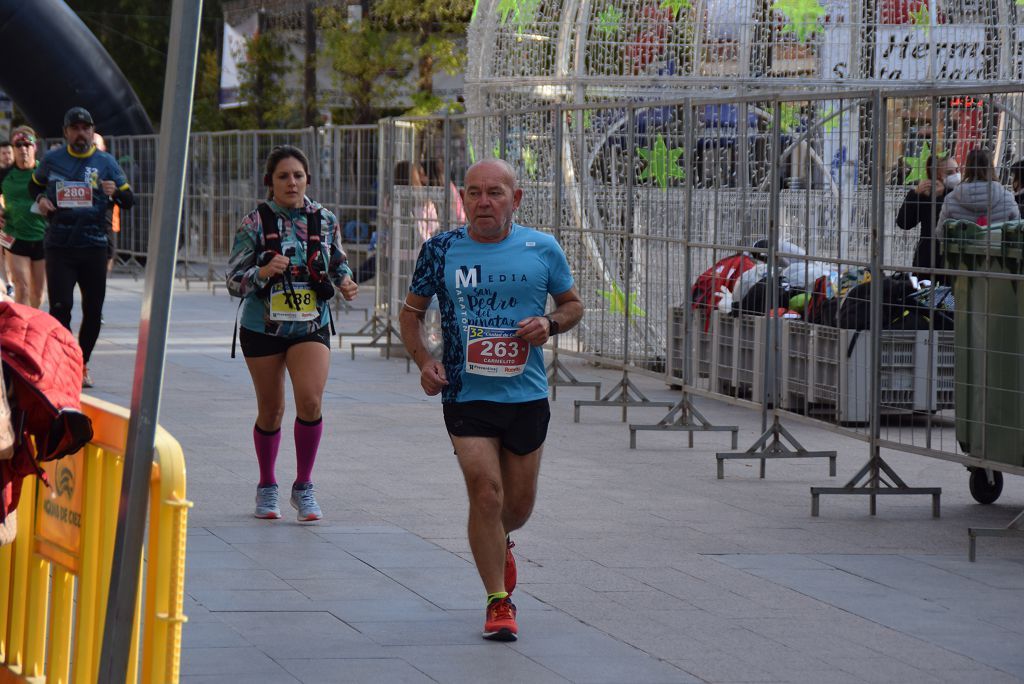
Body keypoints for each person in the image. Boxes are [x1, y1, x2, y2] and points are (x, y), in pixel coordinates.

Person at [399, 159, 583, 642]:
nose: (484, 202)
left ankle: (501, 540)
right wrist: (424, 361)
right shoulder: (440, 250)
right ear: (464, 199)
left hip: (525, 394)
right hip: (465, 392)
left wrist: (550, 324)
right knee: (486, 493)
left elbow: (573, 304)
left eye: (495, 193)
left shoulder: (542, 248)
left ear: (515, 199)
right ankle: (498, 601)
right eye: (475, 193)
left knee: (516, 507)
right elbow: (410, 315)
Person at [226, 145, 358, 522]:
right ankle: (267, 486)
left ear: (307, 179)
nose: (291, 182)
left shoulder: (325, 219)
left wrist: (346, 282)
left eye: (298, 175)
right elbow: (233, 280)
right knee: (271, 409)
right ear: (270, 182)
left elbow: (337, 264)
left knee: (311, 401)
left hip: (311, 324)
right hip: (262, 326)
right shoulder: (254, 223)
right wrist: (262, 273)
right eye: (283, 176)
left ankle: (304, 485)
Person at [29, 107, 134, 388]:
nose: (80, 133)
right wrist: (40, 199)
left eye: (85, 128)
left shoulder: (106, 162)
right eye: (75, 128)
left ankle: (82, 361)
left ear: (92, 131)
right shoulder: (52, 160)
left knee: (93, 310)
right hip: (60, 247)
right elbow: (34, 186)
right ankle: (65, 362)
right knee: (61, 308)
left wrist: (116, 192)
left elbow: (129, 199)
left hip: (94, 246)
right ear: (66, 133)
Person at [0, 127, 46, 307]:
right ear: (13, 148)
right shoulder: (4, 174)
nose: (23, 149)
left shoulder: (44, 172)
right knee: (22, 287)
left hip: (42, 236)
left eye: (27, 144)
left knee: (38, 292)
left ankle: (33, 326)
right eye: (18, 145)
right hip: (14, 235)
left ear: (35, 147)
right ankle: (20, 330)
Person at [895, 154, 959, 277]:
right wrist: (915, 195)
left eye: (957, 170)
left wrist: (943, 194)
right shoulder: (926, 194)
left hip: (953, 260)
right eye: (950, 172)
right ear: (937, 175)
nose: (956, 175)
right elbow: (904, 223)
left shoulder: (961, 193)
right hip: (927, 260)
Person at [937, 148, 1020, 230]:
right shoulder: (1007, 198)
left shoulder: (951, 199)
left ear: (967, 168)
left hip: (962, 243)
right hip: (997, 242)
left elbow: (941, 233)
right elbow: (1017, 230)